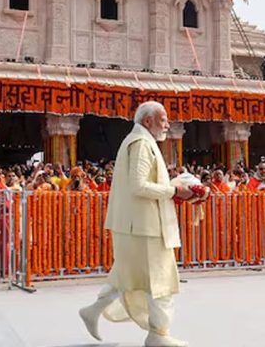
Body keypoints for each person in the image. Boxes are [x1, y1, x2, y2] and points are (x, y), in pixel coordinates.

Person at [80, 101, 194, 346]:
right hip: (145, 226)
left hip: (137, 225)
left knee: (126, 274)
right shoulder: (142, 144)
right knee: (160, 280)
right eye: (162, 119)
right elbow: (138, 186)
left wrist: (174, 188)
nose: (167, 124)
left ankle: (93, 310)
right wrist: (173, 191)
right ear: (147, 121)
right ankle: (158, 335)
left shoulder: (140, 141)